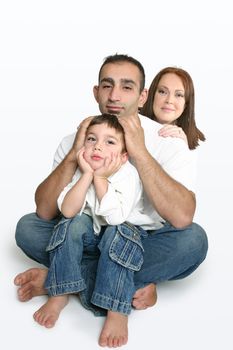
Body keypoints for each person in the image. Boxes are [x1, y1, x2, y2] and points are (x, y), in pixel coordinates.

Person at [14, 54, 208, 348]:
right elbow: (44, 211)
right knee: (27, 228)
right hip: (87, 233)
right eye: (107, 86)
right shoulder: (78, 137)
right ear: (96, 92)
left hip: (142, 240)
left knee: (194, 241)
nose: (115, 96)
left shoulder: (168, 139)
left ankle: (62, 278)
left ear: (143, 96)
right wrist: (73, 154)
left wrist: (140, 151)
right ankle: (122, 281)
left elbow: (182, 217)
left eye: (127, 87)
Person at [34, 113, 165, 346]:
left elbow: (115, 218)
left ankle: (116, 308)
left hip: (126, 236)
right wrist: (86, 175)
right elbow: (67, 211)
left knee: (119, 234)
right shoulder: (79, 171)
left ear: (124, 156)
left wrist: (101, 179)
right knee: (69, 225)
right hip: (94, 239)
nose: (98, 147)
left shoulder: (127, 174)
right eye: (91, 139)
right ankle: (60, 292)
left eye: (110, 142)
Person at [140, 66, 206, 149]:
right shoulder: (129, 124)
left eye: (179, 95)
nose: (169, 100)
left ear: (186, 103)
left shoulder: (194, 143)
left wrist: (182, 150)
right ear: (152, 95)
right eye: (162, 92)